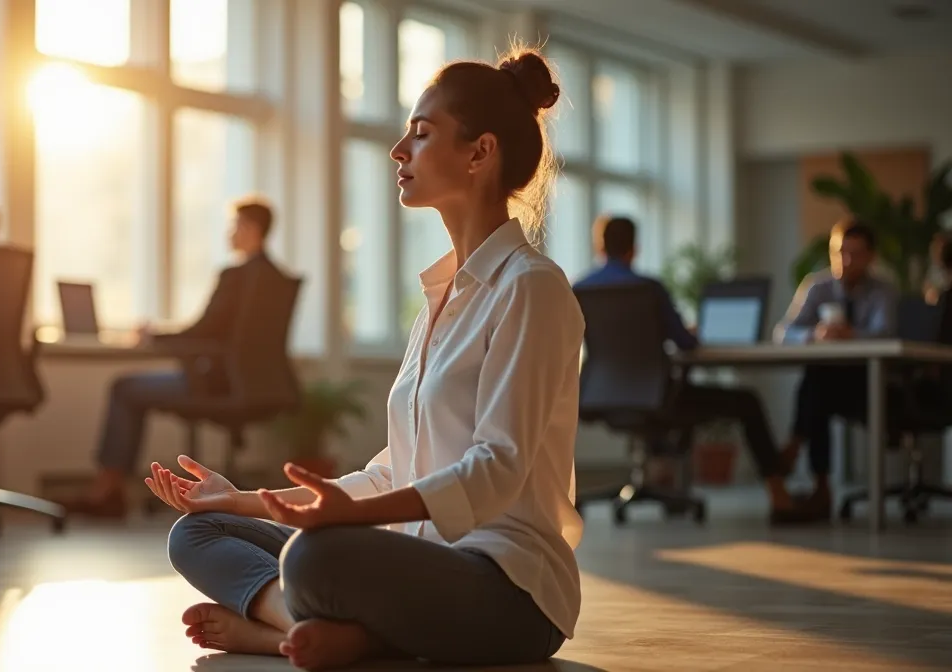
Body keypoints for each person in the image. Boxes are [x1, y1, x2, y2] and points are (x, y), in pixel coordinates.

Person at [148, 48, 577, 670]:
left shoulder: (530, 287)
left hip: (507, 590)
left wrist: (353, 518)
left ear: (479, 153)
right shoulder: (439, 297)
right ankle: (317, 631)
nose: (398, 150)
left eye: (422, 134)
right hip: (416, 565)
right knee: (198, 533)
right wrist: (242, 499)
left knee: (317, 556)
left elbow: (496, 469)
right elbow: (390, 472)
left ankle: (288, 630)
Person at [65, 198, 284, 519]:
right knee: (131, 386)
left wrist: (153, 337)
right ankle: (109, 488)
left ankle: (107, 490)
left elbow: (203, 332)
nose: (229, 233)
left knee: (125, 387)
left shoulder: (237, 276)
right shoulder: (276, 279)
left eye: (234, 225)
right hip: (251, 383)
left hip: (212, 382)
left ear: (250, 228)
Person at [573, 216, 799, 522]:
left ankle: (663, 479)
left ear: (599, 246)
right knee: (747, 401)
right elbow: (686, 344)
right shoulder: (649, 289)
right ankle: (779, 496)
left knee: (685, 399)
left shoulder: (580, 289)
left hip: (600, 397)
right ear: (634, 249)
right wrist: (689, 331)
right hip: (655, 397)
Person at [776, 219, 899, 521]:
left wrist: (852, 335)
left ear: (871, 256)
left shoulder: (883, 290)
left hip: (871, 383)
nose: (845, 261)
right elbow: (782, 333)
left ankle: (799, 449)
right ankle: (818, 480)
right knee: (819, 381)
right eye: (838, 252)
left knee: (817, 384)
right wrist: (813, 335)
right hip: (829, 384)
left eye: (855, 253)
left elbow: (887, 335)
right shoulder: (818, 286)